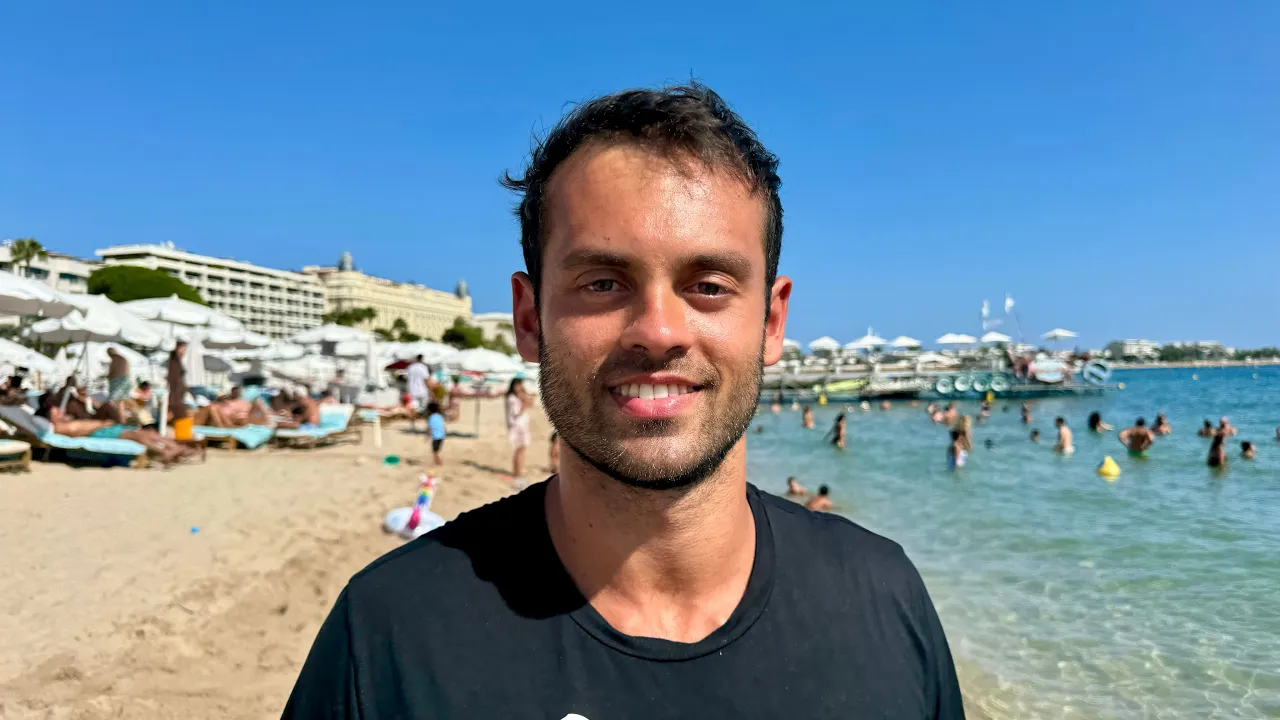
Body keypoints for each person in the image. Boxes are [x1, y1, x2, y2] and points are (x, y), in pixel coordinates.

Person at [285, 83, 962, 719]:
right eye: (603, 284)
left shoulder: (884, 599)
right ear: (529, 318)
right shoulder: (390, 633)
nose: (659, 332)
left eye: (709, 285)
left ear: (771, 321)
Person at [38, 403, 193, 466]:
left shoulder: (64, 421)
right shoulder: (59, 427)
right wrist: (102, 424)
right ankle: (165, 452)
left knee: (146, 433)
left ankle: (174, 447)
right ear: (50, 418)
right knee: (136, 436)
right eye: (56, 412)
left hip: (102, 430)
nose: (60, 412)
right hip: (99, 433)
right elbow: (77, 431)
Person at [506, 377, 532, 484]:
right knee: (518, 450)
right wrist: (524, 404)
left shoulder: (516, 397)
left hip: (522, 425)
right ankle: (517, 473)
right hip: (517, 427)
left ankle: (518, 471)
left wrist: (524, 395)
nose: (519, 387)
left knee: (522, 449)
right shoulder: (512, 398)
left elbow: (531, 402)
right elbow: (517, 413)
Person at [166, 342, 189, 424]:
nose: (183, 351)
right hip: (175, 396)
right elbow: (173, 380)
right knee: (180, 417)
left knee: (179, 417)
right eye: (182, 349)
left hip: (177, 395)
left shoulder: (178, 361)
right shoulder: (173, 361)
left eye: (184, 349)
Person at [426, 401, 446, 466]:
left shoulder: (431, 417)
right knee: (436, 450)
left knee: (435, 451)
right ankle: (437, 462)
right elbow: (443, 426)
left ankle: (438, 463)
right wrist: (444, 432)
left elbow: (430, 428)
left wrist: (427, 436)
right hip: (442, 436)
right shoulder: (439, 416)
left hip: (436, 437)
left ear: (429, 410)